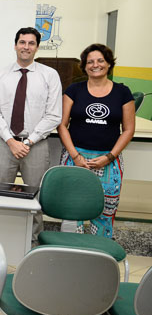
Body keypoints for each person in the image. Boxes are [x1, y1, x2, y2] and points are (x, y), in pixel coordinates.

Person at [0, 27, 62, 240]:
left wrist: (28, 141)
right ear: (15, 45)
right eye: (22, 42)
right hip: (5, 144)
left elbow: (54, 115)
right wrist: (11, 141)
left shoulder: (50, 76)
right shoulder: (1, 75)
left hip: (36, 145)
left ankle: (33, 242)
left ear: (37, 47)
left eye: (31, 43)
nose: (26, 47)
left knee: (35, 197)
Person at [57, 43, 135, 238]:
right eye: (90, 62)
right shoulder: (74, 90)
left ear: (109, 63)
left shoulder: (122, 92)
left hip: (108, 161)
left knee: (104, 211)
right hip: (75, 158)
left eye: (100, 60)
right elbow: (62, 125)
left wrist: (109, 156)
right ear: (84, 66)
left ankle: (99, 256)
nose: (95, 65)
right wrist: (75, 156)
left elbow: (128, 129)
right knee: (71, 210)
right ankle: (69, 252)